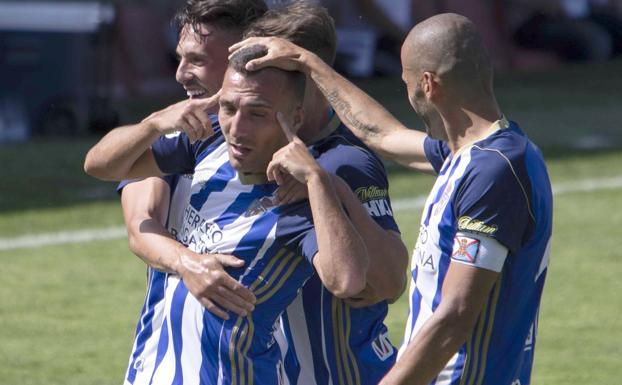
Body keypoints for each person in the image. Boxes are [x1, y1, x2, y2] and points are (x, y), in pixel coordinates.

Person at [231, 11, 553, 385]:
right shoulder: (478, 154)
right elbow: (381, 134)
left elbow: (456, 313)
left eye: (407, 83)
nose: (409, 93)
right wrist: (306, 61)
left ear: (428, 84)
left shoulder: (493, 171)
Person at [243, 3, 408, 385]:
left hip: (345, 374)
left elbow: (389, 282)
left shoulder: (344, 161)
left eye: (270, 73)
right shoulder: (253, 149)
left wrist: (325, 186)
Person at [115, 1, 268, 383]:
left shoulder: (301, 145)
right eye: (180, 58)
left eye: (197, 60)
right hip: (170, 361)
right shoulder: (178, 133)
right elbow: (140, 225)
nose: (181, 74)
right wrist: (188, 262)